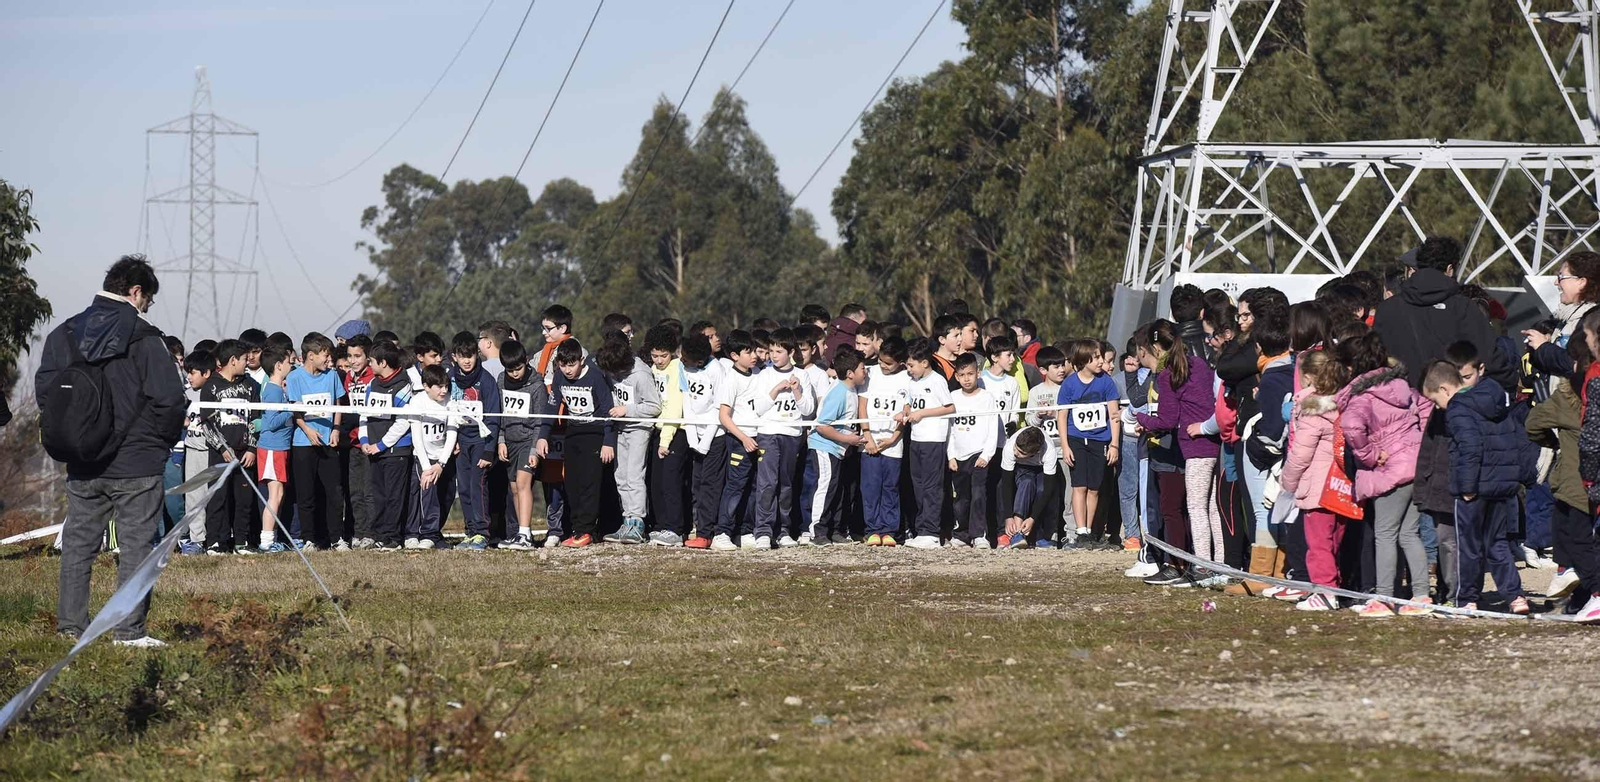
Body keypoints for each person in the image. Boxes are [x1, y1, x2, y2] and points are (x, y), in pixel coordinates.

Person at [36, 255, 185, 647]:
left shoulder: (63, 334)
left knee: (78, 546)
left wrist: (75, 436)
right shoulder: (146, 337)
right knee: (137, 547)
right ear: (135, 292)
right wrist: (160, 443)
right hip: (137, 462)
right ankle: (129, 631)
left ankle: (70, 627)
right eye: (147, 299)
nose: (147, 306)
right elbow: (170, 400)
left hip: (83, 461)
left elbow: (46, 396)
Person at [1422, 360, 1531, 614]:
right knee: (1498, 543)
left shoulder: (1458, 408)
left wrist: (1467, 486)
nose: (1438, 408)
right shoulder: (1495, 399)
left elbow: (1470, 447)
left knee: (1469, 545)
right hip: (1501, 485)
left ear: (1445, 389)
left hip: (1474, 487)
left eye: (1436, 401)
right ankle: (1515, 597)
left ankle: (1467, 598)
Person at [1336, 333, 1429, 617]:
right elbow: (1426, 408)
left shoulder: (1361, 396)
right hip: (1416, 466)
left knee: (1385, 534)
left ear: (1352, 367)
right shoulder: (1401, 386)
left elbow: (1351, 427)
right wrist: (1419, 444)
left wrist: (1371, 455)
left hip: (1389, 471)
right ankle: (1422, 596)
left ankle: (1385, 598)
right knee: (1409, 533)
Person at [1136, 320, 1223, 587]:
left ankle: (1202, 566)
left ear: (1154, 347)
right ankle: (1219, 563)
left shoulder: (1169, 373)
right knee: (1212, 508)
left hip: (1194, 445)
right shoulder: (1199, 364)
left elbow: (1165, 420)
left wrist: (1140, 418)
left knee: (1195, 507)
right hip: (1214, 441)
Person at [1279, 350, 1349, 612]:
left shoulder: (1311, 410)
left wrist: (1287, 482)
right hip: (1340, 484)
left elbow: (1300, 454)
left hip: (1317, 487)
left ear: (1308, 377)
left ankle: (1325, 591)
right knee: (1334, 541)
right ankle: (1335, 586)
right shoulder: (1343, 403)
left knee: (1318, 544)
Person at [537, 339, 616, 548]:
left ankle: (586, 530)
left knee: (590, 483)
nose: (568, 370)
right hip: (573, 433)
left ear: (581, 360)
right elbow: (551, 407)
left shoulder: (596, 377)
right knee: (571, 483)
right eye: (563, 365)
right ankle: (577, 528)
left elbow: (608, 409)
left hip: (595, 434)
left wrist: (608, 441)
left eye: (572, 365)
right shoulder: (559, 378)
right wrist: (543, 435)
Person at [751, 328, 815, 547]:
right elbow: (758, 408)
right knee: (767, 483)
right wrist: (776, 390)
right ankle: (763, 532)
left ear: (790, 351)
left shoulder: (802, 375)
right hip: (768, 434)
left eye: (779, 351)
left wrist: (797, 392)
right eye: (771, 351)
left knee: (786, 484)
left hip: (792, 435)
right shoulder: (765, 375)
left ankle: (784, 530)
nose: (774, 355)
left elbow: (808, 409)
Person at [1056, 338, 1122, 549]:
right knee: (1079, 486)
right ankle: (1081, 530)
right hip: (1076, 439)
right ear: (1084, 361)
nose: (1101, 361)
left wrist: (1114, 444)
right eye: (1096, 358)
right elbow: (1062, 416)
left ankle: (1092, 530)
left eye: (1101, 357)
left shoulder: (1106, 382)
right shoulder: (1069, 383)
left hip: (1099, 439)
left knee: (1094, 487)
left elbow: (1114, 414)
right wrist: (1065, 446)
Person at [597, 331, 662, 544]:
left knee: (634, 475)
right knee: (621, 475)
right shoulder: (611, 369)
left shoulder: (641, 374)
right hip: (620, 428)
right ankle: (627, 520)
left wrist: (627, 410)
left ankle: (638, 523)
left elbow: (654, 406)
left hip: (639, 428)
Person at [197, 339, 260, 556]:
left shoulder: (251, 386)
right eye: (244, 359)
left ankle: (241, 541)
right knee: (218, 498)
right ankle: (215, 541)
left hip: (245, 455)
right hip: (220, 454)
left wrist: (252, 448)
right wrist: (222, 448)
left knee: (244, 500)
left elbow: (256, 418)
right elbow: (206, 422)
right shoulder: (210, 387)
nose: (248, 362)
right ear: (232, 360)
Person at [286, 332, 346, 550]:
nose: (328, 360)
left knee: (334, 493)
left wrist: (336, 429)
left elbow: (338, 405)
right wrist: (308, 430)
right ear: (311, 356)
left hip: (328, 443)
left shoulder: (331, 376)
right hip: (303, 443)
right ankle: (309, 539)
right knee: (306, 494)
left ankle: (336, 538)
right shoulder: (294, 378)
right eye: (324, 356)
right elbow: (296, 411)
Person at [804, 348, 868, 546]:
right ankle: (817, 530)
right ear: (850, 373)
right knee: (826, 486)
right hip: (824, 447)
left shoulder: (851, 390)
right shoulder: (839, 392)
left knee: (839, 489)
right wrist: (847, 439)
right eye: (862, 368)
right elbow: (822, 426)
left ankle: (836, 530)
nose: (865, 372)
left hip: (839, 449)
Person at [358, 341, 416, 551]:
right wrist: (365, 441)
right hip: (373, 450)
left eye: (371, 361)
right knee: (379, 496)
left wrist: (381, 445)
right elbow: (364, 415)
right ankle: (380, 535)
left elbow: (403, 421)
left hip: (396, 451)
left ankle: (393, 538)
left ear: (383, 362)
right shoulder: (371, 385)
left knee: (394, 496)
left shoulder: (403, 386)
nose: (368, 364)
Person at [449, 331, 503, 550]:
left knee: (477, 486)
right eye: (462, 356)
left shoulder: (486, 380)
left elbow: (493, 415)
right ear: (454, 357)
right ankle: (470, 532)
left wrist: (489, 449)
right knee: (462, 488)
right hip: (460, 442)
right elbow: (446, 410)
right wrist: (451, 439)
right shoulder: (450, 378)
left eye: (470, 355)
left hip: (481, 442)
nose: (467, 360)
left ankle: (481, 532)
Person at [902, 338, 956, 550]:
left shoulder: (937, 381)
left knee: (932, 486)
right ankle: (921, 529)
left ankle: (931, 532)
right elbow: (909, 402)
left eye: (911, 365)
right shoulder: (912, 381)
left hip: (933, 439)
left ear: (924, 362)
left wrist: (922, 413)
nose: (909, 369)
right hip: (916, 438)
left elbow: (949, 407)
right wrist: (906, 411)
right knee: (918, 485)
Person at [712, 331, 764, 550]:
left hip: (758, 438)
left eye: (755, 350)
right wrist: (743, 438)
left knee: (754, 486)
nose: (754, 355)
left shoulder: (759, 374)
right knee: (735, 486)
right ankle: (722, 533)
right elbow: (724, 416)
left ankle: (745, 530)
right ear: (734, 355)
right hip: (739, 440)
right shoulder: (730, 379)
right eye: (748, 351)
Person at [858, 336, 912, 547]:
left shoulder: (907, 379)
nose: (882, 365)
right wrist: (868, 436)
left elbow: (906, 412)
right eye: (880, 360)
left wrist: (893, 438)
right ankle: (872, 529)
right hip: (869, 442)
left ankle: (889, 530)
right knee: (870, 487)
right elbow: (862, 407)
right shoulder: (870, 374)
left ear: (900, 362)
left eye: (888, 363)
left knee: (890, 487)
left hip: (893, 445)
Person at [644, 325, 690, 547]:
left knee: (671, 482)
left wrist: (665, 440)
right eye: (655, 355)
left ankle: (675, 528)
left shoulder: (677, 368)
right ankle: (660, 525)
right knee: (656, 482)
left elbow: (674, 406)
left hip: (674, 433)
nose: (659, 360)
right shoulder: (651, 370)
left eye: (664, 355)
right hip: (655, 432)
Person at [679, 334, 727, 549]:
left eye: (686, 358)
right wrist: (692, 436)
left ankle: (707, 533)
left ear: (699, 361)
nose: (681, 359)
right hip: (695, 435)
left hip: (715, 436)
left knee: (710, 484)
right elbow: (687, 399)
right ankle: (697, 526)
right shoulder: (683, 367)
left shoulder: (716, 370)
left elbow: (719, 408)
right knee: (696, 484)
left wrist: (706, 440)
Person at [948, 352, 1000, 548]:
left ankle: (979, 535)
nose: (966, 378)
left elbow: (992, 428)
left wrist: (986, 454)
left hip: (979, 455)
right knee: (961, 498)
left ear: (978, 373)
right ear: (956, 377)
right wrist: (950, 455)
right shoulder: (952, 397)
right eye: (962, 375)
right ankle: (961, 533)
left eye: (970, 373)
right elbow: (949, 430)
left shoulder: (987, 398)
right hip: (958, 456)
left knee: (979, 494)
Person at [496, 339, 544, 550]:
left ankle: (524, 534)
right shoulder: (500, 380)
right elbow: (499, 414)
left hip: (528, 441)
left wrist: (534, 449)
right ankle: (520, 533)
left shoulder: (537, 386)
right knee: (515, 488)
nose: (515, 374)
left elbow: (541, 422)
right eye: (510, 370)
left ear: (526, 361)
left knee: (524, 485)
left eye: (519, 368)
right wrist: (501, 440)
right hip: (510, 442)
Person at [408, 364, 460, 550]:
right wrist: (427, 468)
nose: (444, 390)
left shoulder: (450, 402)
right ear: (426, 386)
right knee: (428, 494)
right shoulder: (417, 402)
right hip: (424, 459)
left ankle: (435, 532)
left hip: (443, 459)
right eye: (439, 386)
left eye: (446, 386)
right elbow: (417, 438)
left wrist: (441, 463)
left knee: (447, 496)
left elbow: (452, 433)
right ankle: (426, 534)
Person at [255, 346, 294, 553]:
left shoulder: (279, 390)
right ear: (279, 366)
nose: (291, 365)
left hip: (280, 448)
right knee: (274, 495)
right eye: (289, 362)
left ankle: (271, 539)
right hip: (272, 449)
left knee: (278, 495)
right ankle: (267, 541)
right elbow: (270, 422)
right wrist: (291, 409)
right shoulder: (272, 390)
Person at [338, 334, 375, 550]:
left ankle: (370, 532)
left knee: (369, 490)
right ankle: (358, 533)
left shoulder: (373, 376)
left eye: (358, 356)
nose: (353, 360)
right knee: (355, 490)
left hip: (370, 442)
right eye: (350, 356)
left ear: (368, 356)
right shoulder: (348, 378)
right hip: (352, 442)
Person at [996, 425, 1057, 548]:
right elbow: (1007, 484)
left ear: (1035, 452)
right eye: (1016, 448)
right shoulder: (1010, 448)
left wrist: (1032, 518)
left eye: (1021, 452)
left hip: (1040, 468)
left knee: (1041, 490)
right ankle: (1016, 534)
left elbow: (1048, 489)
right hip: (1020, 468)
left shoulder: (1049, 451)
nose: (1015, 452)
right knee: (1026, 483)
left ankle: (1040, 536)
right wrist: (1008, 517)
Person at [179, 351, 213, 555]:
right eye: (187, 373)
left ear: (207, 373)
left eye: (193, 372)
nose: (189, 377)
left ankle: (218, 538)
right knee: (194, 496)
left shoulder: (215, 391)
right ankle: (196, 539)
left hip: (214, 451)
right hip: (193, 449)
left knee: (217, 496)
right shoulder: (185, 394)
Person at [981, 336, 1023, 431]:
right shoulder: (979, 380)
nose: (1012, 359)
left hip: (1004, 440)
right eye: (1008, 355)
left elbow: (1015, 412)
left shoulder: (1012, 382)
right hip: (983, 438)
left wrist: (1013, 423)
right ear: (994, 357)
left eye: (1013, 355)